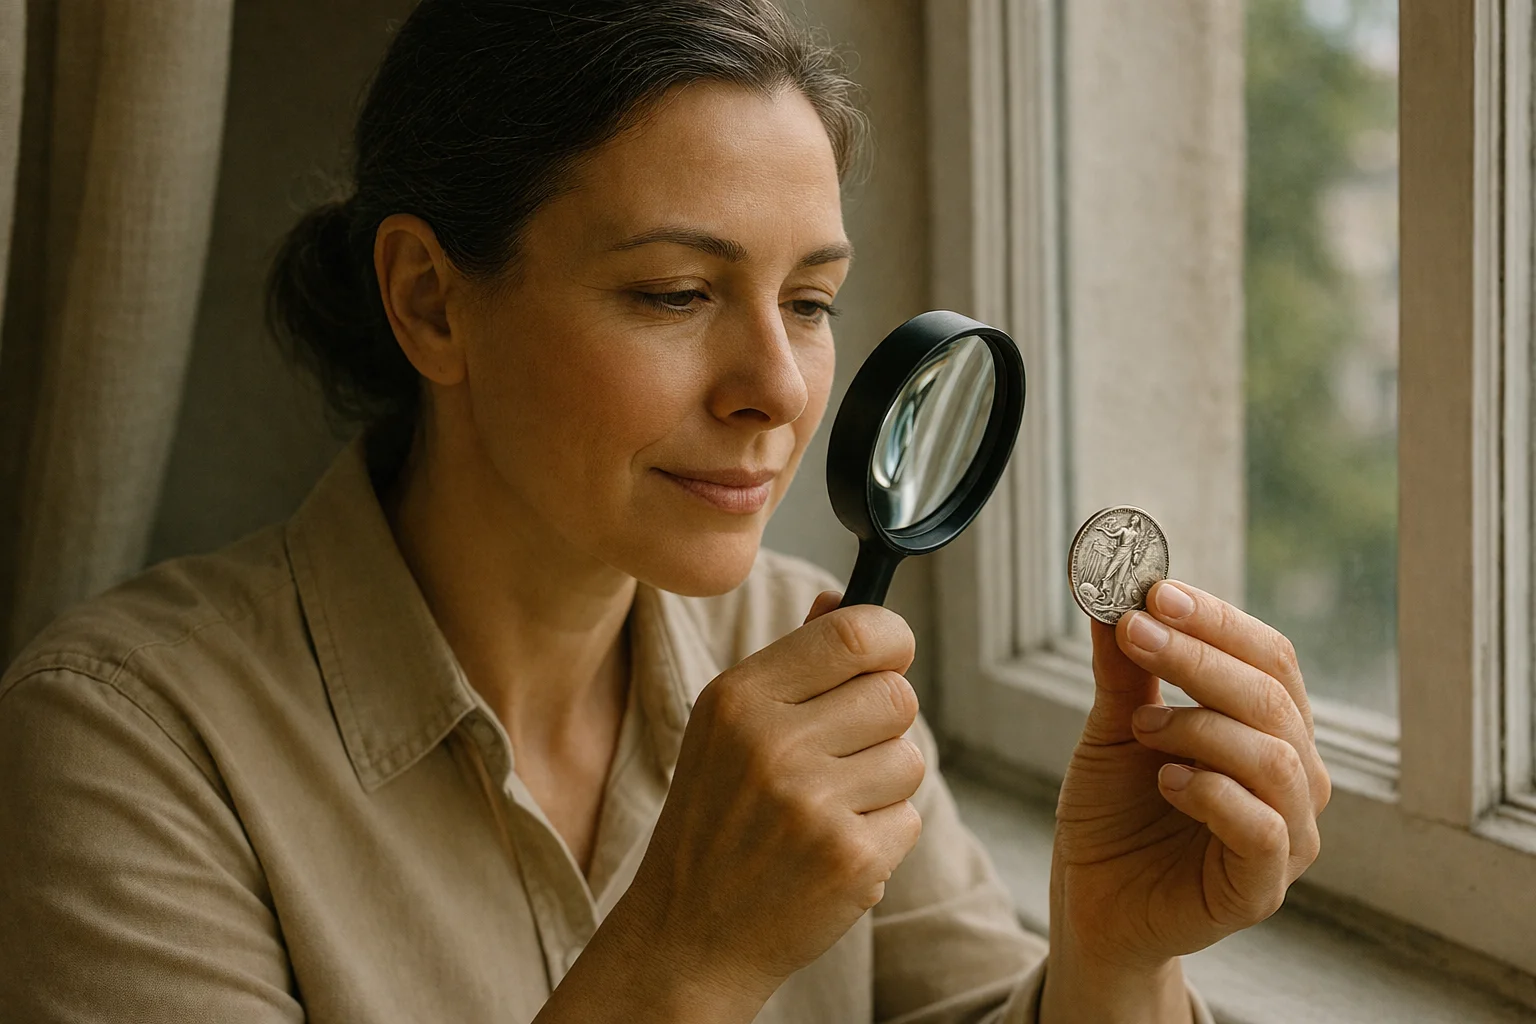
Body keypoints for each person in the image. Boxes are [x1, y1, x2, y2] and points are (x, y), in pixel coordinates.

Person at [0, 2, 1330, 1021]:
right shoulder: (120, 744)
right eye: (674, 294)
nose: (777, 391)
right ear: (429, 300)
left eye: (809, 302)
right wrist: (686, 956)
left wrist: (1111, 955)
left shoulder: (800, 639)